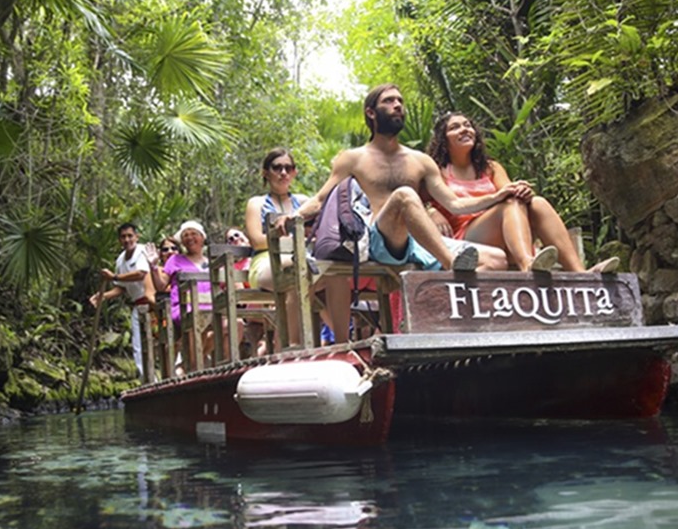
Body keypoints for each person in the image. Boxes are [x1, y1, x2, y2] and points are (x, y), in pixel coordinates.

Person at [277, 84, 508, 343]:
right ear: (371, 113)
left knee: (497, 259)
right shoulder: (353, 158)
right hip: (377, 240)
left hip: (417, 244)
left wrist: (498, 196)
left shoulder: (420, 160)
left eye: (400, 101)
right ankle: (450, 263)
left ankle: (458, 330)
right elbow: (320, 199)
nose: (398, 105)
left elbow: (454, 203)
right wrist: (294, 216)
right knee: (405, 196)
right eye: (389, 101)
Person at [425, 111, 620, 273]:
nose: (464, 129)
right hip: (468, 240)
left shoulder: (490, 167)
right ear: (443, 139)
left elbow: (508, 193)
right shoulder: (437, 170)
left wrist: (521, 191)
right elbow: (417, 204)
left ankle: (581, 274)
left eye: (467, 125)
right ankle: (528, 264)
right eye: (455, 127)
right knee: (509, 204)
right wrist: (432, 211)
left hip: (506, 235)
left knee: (537, 203)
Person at [243, 148, 314, 345]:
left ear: (294, 172)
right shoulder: (256, 203)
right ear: (266, 172)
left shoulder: (303, 202)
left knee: (315, 278)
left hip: (301, 261)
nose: (283, 173)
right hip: (265, 263)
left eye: (288, 168)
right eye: (277, 168)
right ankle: (294, 345)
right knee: (296, 270)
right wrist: (296, 239)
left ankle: (336, 340)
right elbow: (257, 240)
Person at [90, 222, 153, 379]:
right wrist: (103, 296)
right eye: (123, 237)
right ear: (119, 240)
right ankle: (145, 378)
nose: (127, 240)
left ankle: (171, 375)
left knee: (159, 342)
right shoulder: (120, 260)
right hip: (137, 305)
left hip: (153, 303)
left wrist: (114, 277)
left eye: (130, 236)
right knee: (138, 345)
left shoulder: (142, 251)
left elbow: (141, 274)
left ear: (136, 237)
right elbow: (122, 287)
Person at [150, 220, 214, 368]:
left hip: (211, 306)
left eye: (193, 234)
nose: (190, 237)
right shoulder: (175, 260)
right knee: (196, 318)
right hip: (185, 307)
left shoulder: (211, 262)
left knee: (233, 323)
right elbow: (160, 286)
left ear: (202, 237)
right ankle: (195, 367)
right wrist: (153, 266)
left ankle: (213, 364)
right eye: (185, 235)